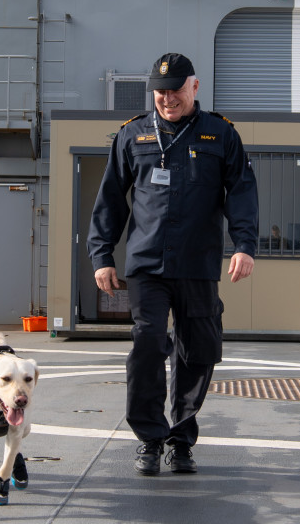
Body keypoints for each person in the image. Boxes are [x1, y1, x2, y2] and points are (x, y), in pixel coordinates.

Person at [87, 52, 259, 476]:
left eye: (176, 90)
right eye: (160, 92)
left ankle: (181, 441)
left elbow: (241, 192)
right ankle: (150, 438)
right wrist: (102, 255)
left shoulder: (221, 134)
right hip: (147, 263)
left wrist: (244, 245)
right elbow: (110, 199)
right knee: (147, 343)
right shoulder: (132, 135)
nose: (167, 99)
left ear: (194, 87)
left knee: (197, 352)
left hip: (198, 263)